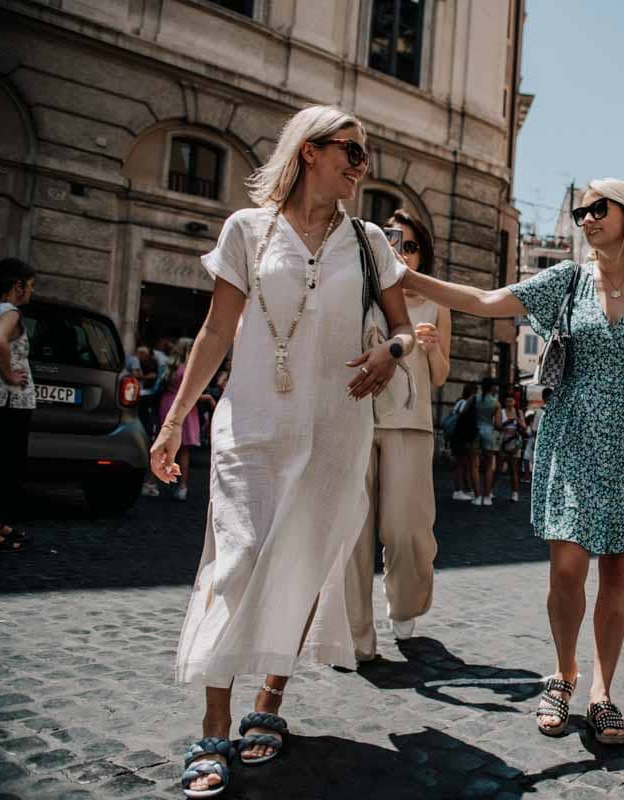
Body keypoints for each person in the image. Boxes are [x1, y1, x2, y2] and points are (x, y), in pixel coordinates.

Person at [399, 177, 624, 744]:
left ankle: (603, 692)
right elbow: (482, 302)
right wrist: (404, 276)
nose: (587, 218)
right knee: (568, 567)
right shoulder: (566, 282)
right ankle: (564, 670)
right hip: (574, 434)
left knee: (618, 571)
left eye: (599, 208)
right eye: (580, 211)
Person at [150, 105, 415, 798]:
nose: (363, 168)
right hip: (252, 424)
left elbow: (405, 330)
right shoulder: (248, 229)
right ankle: (213, 724)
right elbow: (214, 332)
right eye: (352, 154)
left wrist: (392, 353)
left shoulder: (367, 243)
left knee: (299, 562)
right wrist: (176, 419)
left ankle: (268, 701)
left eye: (365, 156)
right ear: (310, 152)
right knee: (233, 562)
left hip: (335, 425)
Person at [345, 209, 450, 653]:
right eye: (392, 242)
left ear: (422, 254)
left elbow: (442, 375)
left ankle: (405, 606)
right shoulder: (356, 291)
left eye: (410, 245)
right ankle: (355, 635)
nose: (401, 252)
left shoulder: (435, 301)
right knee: (351, 533)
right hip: (354, 417)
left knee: (407, 528)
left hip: (410, 422)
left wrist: (431, 347)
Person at [0, 258, 36, 555]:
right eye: (30, 286)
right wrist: (9, 374)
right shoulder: (10, 312)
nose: (31, 293)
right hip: (9, 402)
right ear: (17, 286)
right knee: (6, 468)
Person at [157, 337, 199, 501]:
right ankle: (182, 486)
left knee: (164, 445)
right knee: (184, 449)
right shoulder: (188, 369)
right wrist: (209, 398)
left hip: (167, 403)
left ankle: (152, 482)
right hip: (184, 407)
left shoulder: (170, 366)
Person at [472, 376, 501, 506]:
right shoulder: (495, 403)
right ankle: (487, 496)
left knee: (474, 466)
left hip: (475, 432)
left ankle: (477, 496)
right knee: (489, 466)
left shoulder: (474, 399)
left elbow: (462, 413)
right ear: (492, 388)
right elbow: (499, 424)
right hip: (489, 433)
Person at [449, 382, 479, 500]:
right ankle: (458, 490)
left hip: (457, 436)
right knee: (460, 464)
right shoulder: (464, 403)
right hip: (460, 437)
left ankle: (464, 489)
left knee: (463, 463)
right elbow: (462, 418)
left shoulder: (459, 402)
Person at [497, 391, 527, 502]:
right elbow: (498, 425)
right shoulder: (502, 412)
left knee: (514, 469)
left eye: (511, 401)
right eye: (507, 401)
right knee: (498, 468)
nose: (509, 403)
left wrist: (517, 420)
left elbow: (524, 426)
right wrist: (507, 422)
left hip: (514, 443)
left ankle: (515, 493)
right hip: (503, 442)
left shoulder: (518, 412)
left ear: (514, 402)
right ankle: (490, 491)